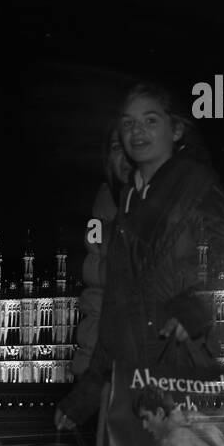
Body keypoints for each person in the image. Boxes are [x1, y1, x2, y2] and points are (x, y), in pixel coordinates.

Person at [55, 81, 224, 446]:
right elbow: (113, 308)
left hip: (183, 377)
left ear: (176, 130)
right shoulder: (123, 201)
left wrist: (197, 314)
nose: (137, 131)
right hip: (130, 388)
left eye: (150, 120)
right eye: (128, 122)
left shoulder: (197, 187)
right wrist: (86, 392)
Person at [71, 129, 132, 381]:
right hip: (111, 374)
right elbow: (96, 303)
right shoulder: (103, 212)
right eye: (117, 147)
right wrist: (85, 378)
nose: (126, 156)